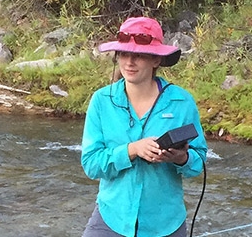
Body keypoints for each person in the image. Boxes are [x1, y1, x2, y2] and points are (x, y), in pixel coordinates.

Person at [80, 16, 208, 237]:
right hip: (112, 217)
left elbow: (198, 162)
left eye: (139, 55)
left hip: (165, 222)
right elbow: (91, 164)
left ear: (155, 60)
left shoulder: (181, 102)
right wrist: (131, 150)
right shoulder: (101, 101)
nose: (129, 62)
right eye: (124, 54)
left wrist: (180, 158)